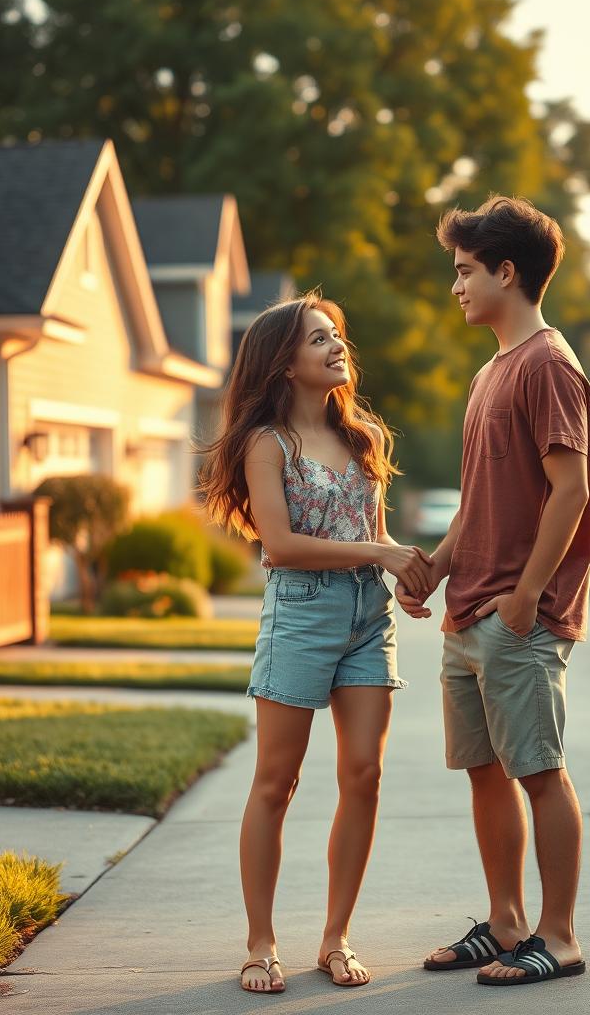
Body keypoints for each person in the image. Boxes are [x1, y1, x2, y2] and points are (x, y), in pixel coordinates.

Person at [199, 292, 433, 995]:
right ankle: (259, 943)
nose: (337, 347)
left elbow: (378, 534)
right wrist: (379, 554)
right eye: (318, 339)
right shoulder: (265, 444)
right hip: (300, 617)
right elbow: (281, 545)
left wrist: (403, 572)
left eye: (337, 335)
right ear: (284, 363)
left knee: (365, 773)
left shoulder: (364, 438)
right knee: (278, 781)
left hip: (367, 618)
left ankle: (336, 938)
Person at [397, 196, 590, 986]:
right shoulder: (491, 371)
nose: (456, 287)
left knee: (538, 771)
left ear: (507, 272)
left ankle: (561, 934)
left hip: (517, 616)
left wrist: (526, 598)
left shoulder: (547, 364)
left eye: (465, 271)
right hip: (468, 611)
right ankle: (509, 922)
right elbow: (485, 502)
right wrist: (438, 566)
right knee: (485, 772)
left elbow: (571, 490)